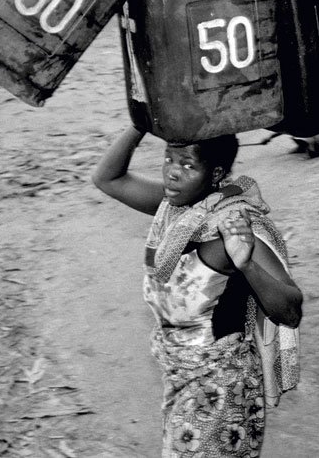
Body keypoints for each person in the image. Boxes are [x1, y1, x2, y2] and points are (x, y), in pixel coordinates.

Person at [92, 126, 303, 457]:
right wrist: (140, 122)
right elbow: (108, 179)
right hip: (178, 374)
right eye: (168, 158)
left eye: (188, 165)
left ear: (215, 173)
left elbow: (290, 310)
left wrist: (247, 265)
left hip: (220, 387)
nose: (172, 173)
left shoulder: (233, 224)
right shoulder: (175, 208)